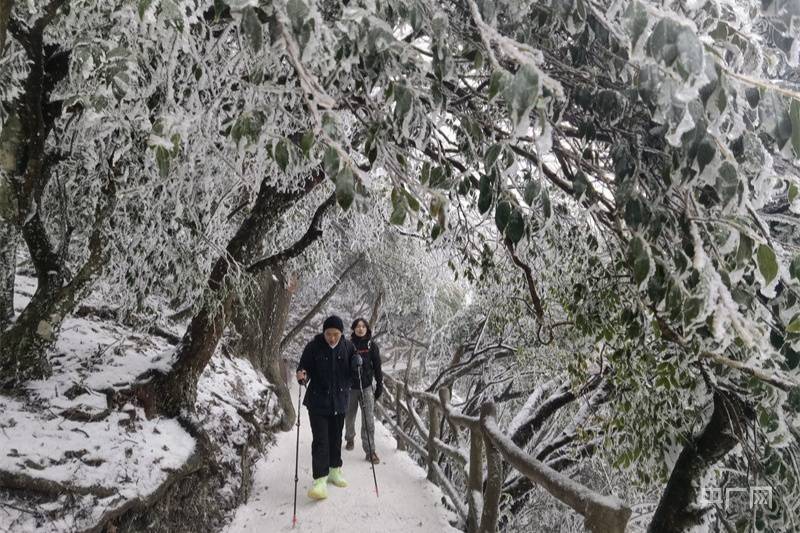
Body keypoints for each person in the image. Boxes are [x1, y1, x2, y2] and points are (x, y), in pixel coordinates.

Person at [296, 315, 360, 500]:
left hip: (339, 401)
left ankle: (334, 471)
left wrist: (357, 364)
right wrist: (302, 376)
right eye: (329, 334)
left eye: (336, 334)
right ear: (323, 332)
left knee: (335, 438)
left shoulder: (348, 347)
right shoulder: (313, 346)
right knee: (321, 441)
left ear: (341, 333)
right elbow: (304, 367)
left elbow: (355, 370)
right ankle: (320, 480)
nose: (332, 337)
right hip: (318, 402)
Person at [344, 317, 383, 464]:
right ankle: (349, 438)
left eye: (363, 326)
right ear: (354, 329)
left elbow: (377, 366)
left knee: (368, 419)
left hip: (366, 387)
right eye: (358, 326)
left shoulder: (371, 345)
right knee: (349, 416)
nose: (360, 329)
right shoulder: (347, 345)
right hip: (351, 387)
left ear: (367, 329)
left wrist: (379, 385)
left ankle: (370, 451)